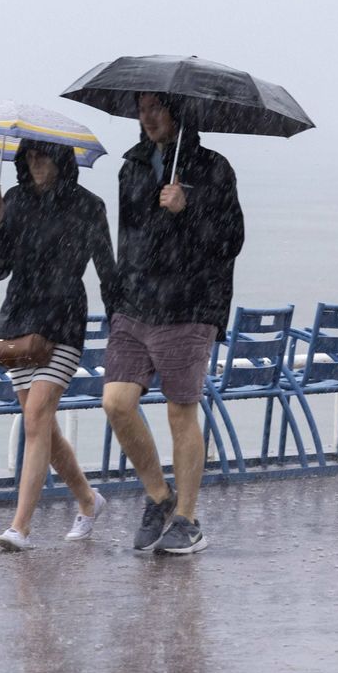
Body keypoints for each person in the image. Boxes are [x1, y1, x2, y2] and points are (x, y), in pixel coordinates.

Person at [102, 92, 244, 555]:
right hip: (136, 303)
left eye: (156, 107)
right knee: (116, 402)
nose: (147, 116)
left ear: (177, 112)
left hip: (189, 304)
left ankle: (187, 519)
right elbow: (129, 236)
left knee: (180, 410)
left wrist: (190, 208)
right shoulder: (132, 166)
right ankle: (160, 498)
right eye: (141, 108)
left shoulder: (214, 167)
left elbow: (232, 239)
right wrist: (118, 296)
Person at [0, 138, 115, 552]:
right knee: (39, 422)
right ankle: (88, 500)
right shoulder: (15, 200)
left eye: (45, 155)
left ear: (61, 159)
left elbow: (106, 269)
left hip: (63, 322)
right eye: (30, 155)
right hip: (19, 320)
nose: (37, 162)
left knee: (38, 413)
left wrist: (123, 325)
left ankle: (19, 528)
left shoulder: (88, 205)